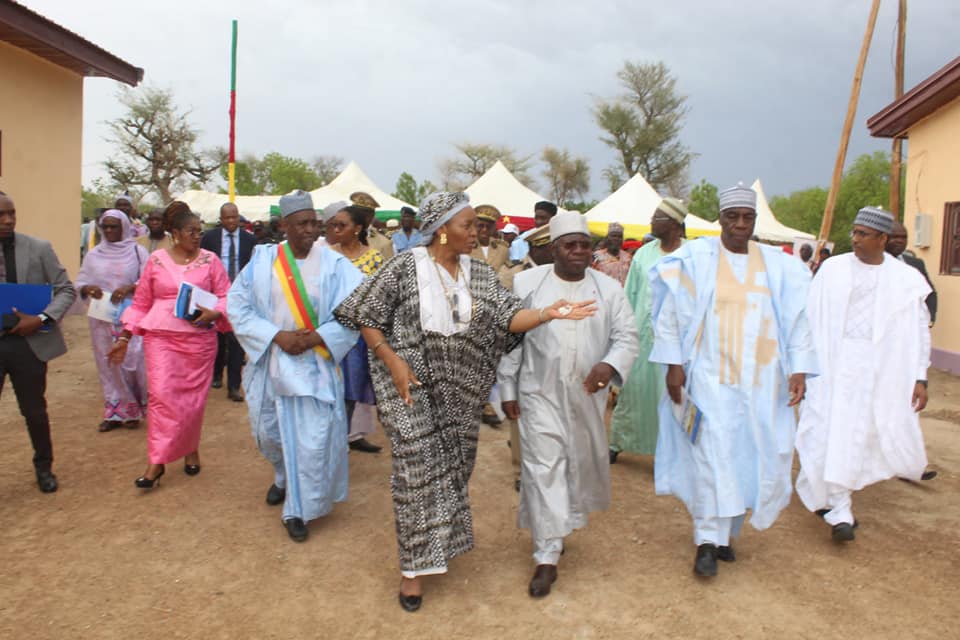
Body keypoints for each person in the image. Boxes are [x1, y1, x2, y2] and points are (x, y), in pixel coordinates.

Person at [333, 191, 596, 612]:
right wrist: (391, 359)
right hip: (411, 390)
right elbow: (366, 314)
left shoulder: (481, 274)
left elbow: (509, 318)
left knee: (452, 473)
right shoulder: (404, 266)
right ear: (441, 231)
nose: (476, 232)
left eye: (476, 225)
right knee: (415, 475)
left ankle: (435, 548)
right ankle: (412, 571)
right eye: (467, 225)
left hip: (462, 393)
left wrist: (548, 313)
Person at [649, 183, 817, 577]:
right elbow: (670, 315)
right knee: (711, 454)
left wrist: (798, 368)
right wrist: (673, 364)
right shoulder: (695, 259)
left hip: (762, 383)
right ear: (720, 219)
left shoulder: (779, 265)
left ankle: (725, 535)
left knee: (747, 455)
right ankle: (707, 540)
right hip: (710, 378)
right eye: (732, 217)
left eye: (747, 217)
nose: (740, 224)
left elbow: (798, 320)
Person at [497, 211, 639, 598]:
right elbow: (510, 339)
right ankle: (546, 556)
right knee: (544, 467)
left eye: (584, 245)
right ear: (554, 249)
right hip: (537, 393)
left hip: (586, 396)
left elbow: (627, 336)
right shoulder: (528, 283)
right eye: (569, 245)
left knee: (575, 463)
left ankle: (557, 529)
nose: (578, 251)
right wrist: (508, 390)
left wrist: (609, 365)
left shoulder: (609, 290)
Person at [228, 191, 363, 542]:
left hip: (314, 365)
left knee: (310, 443)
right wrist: (277, 336)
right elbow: (238, 305)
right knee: (267, 434)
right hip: (271, 360)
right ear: (283, 225)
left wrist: (317, 337)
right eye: (302, 224)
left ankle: (298, 509)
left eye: (314, 223)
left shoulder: (335, 264)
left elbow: (356, 309)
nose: (310, 230)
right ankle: (282, 475)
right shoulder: (263, 260)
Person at [796, 207, 932, 542]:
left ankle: (839, 504)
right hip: (832, 365)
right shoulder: (833, 269)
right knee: (827, 431)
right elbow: (808, 317)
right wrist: (801, 365)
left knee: (859, 434)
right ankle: (836, 505)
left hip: (880, 370)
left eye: (863, 234)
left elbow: (918, 332)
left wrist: (920, 376)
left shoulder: (905, 280)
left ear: (882, 239)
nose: (855, 240)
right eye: (854, 233)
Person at [110, 202, 231, 489]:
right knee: (161, 396)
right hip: (161, 337)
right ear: (175, 233)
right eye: (191, 231)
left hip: (199, 340)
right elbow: (141, 303)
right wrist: (125, 337)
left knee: (193, 401)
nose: (197, 237)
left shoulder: (211, 260)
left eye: (200, 232)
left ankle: (191, 449)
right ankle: (157, 461)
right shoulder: (156, 260)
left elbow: (227, 295)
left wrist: (216, 312)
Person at [0, 192, 76, 493]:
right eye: (1, 215)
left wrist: (42, 319)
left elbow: (66, 290)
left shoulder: (38, 248)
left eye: (12, 213)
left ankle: (44, 467)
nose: (8, 220)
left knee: (34, 411)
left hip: (27, 343)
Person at [609, 198, 687, 464]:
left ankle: (670, 452)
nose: (651, 222)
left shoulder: (692, 256)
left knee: (670, 397)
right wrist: (623, 331)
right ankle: (618, 442)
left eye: (657, 218)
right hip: (641, 337)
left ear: (674, 224)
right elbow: (629, 294)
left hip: (677, 344)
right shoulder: (643, 254)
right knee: (633, 392)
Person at [75, 210, 149, 432]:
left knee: (131, 363)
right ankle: (115, 413)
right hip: (102, 320)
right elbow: (80, 282)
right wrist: (89, 289)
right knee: (108, 364)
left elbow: (149, 280)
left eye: (113, 226)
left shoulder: (138, 252)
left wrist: (129, 288)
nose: (108, 231)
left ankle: (135, 408)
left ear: (124, 227)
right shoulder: (93, 255)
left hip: (130, 317)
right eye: (105, 226)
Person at [325, 200, 385, 454]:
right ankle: (331, 441)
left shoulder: (374, 258)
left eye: (342, 225)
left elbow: (381, 297)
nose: (336, 230)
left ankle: (344, 439)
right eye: (334, 225)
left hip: (359, 336)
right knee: (330, 389)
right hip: (328, 332)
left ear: (358, 228)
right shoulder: (327, 255)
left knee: (351, 390)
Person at [497, 224, 553, 490]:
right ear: (538, 249)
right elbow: (508, 329)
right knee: (521, 416)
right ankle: (521, 471)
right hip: (523, 357)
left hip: (553, 361)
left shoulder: (564, 277)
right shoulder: (517, 277)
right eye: (552, 247)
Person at [201, 202, 256, 401]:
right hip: (215, 296)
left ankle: (234, 386)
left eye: (234, 217)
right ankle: (216, 374)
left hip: (240, 297)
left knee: (236, 341)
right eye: (227, 217)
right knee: (217, 339)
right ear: (221, 219)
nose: (231, 221)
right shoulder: (209, 238)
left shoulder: (250, 240)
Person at [886, 221, 937, 325]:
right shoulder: (873, 262)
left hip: (909, 325)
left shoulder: (916, 264)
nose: (900, 241)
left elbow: (928, 293)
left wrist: (930, 318)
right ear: (883, 238)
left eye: (904, 237)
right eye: (895, 237)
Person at [350, 192, 394, 260]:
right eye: (354, 214)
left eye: (360, 215)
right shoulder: (342, 238)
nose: (356, 218)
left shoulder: (383, 243)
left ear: (370, 217)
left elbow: (390, 266)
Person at [470, 204, 510, 270]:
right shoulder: (464, 246)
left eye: (488, 226)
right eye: (481, 225)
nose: (484, 229)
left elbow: (506, 271)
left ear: (494, 228)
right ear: (473, 226)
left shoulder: (503, 249)